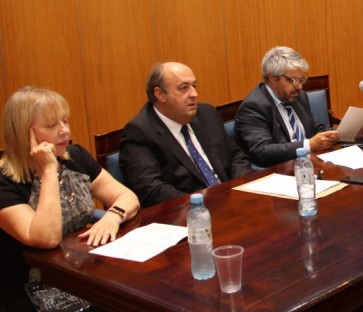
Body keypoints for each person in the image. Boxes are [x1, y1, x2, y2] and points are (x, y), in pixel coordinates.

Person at [0, 87, 139, 311]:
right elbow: (46, 238)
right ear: (24, 133)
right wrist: (48, 173)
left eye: (65, 121)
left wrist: (113, 216)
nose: (65, 131)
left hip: (79, 270)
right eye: (52, 125)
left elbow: (127, 196)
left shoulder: (75, 156)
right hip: (29, 286)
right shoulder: (4, 181)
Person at [119, 62, 253, 207]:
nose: (194, 94)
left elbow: (236, 156)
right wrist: (202, 206)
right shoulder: (139, 132)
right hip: (188, 215)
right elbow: (153, 190)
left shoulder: (207, 114)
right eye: (184, 88)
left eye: (194, 86)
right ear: (160, 94)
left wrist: (240, 189)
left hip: (232, 202)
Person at [234, 46, 341, 168]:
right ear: (272, 78)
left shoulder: (299, 97)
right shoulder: (254, 106)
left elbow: (317, 131)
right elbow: (262, 151)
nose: (299, 86)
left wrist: (347, 132)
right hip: (281, 172)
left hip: (312, 165)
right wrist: (308, 145)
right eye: (293, 80)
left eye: (301, 79)